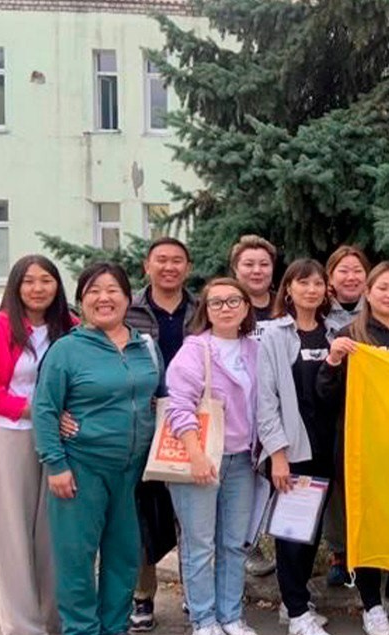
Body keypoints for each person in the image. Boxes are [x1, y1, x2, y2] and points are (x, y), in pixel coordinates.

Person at [33, 262, 162, 635]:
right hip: (80, 469)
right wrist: (56, 464)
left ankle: (114, 627)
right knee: (77, 559)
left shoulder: (145, 346)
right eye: (93, 291)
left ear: (128, 298)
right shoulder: (66, 350)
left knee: (124, 557)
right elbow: (45, 409)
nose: (104, 298)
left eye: (112, 290)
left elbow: (158, 398)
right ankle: (81, 629)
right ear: (81, 301)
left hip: (132, 472)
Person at [0, 255, 74, 635]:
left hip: (60, 437)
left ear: (57, 286)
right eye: (29, 281)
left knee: (54, 531)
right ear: (15, 285)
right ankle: (23, 627)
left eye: (46, 280)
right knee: (12, 533)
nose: (38, 288)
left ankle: (55, 619)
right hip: (10, 433)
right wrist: (34, 410)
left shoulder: (69, 328)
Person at [321, 262, 389, 635]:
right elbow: (326, 395)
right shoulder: (351, 335)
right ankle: (372, 607)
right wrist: (333, 360)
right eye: (382, 287)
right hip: (362, 449)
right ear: (368, 292)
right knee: (366, 527)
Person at [165, 278, 261, 635]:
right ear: (205, 310)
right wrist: (195, 454)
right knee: (200, 545)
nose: (226, 308)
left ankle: (231, 615)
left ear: (246, 307)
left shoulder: (255, 350)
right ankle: (204, 620)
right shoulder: (195, 350)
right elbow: (179, 406)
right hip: (202, 459)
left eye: (233, 300)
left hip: (243, 461)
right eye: (216, 302)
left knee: (234, 544)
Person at [257, 259, 339, 635]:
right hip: (293, 450)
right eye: (303, 283)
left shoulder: (332, 333)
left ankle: (297, 604)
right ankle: (295, 613)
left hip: (326, 447)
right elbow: (265, 400)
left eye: (318, 283)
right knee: (291, 534)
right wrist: (278, 455)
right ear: (288, 289)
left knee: (310, 532)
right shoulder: (274, 335)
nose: (311, 289)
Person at [124, 236, 199, 632]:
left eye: (177, 261)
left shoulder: (200, 310)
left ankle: (194, 592)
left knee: (193, 512)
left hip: (194, 424)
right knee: (143, 516)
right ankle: (143, 596)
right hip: (143, 424)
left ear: (188, 267)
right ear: (147, 266)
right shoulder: (128, 309)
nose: (169, 267)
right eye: (161, 260)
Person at [321, 245, 371, 587]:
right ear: (330, 277)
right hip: (333, 409)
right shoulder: (319, 311)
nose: (351, 277)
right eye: (343, 270)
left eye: (357, 270)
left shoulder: (380, 307)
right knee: (337, 486)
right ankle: (340, 552)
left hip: (372, 412)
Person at [230, 235, 278, 323]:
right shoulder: (224, 308)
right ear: (235, 269)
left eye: (264, 264)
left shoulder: (287, 305)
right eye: (249, 264)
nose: (257, 271)